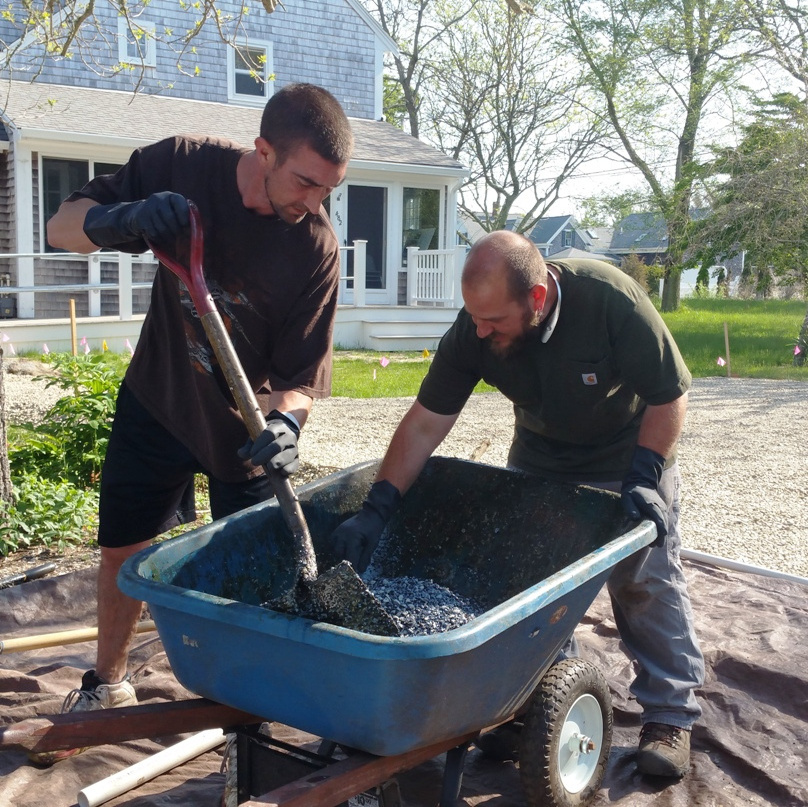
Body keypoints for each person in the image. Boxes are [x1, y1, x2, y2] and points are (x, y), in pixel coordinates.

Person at [33, 83, 353, 765]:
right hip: (160, 398)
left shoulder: (316, 249)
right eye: (304, 181)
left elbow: (299, 382)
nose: (314, 202)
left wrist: (288, 425)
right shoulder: (183, 164)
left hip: (243, 438)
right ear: (263, 149)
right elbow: (61, 226)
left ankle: (251, 714)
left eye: (328, 189)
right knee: (123, 551)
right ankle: (108, 683)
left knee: (249, 583)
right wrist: (125, 219)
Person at [331, 230, 705, 779]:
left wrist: (647, 475)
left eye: (493, 321)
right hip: (541, 457)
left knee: (643, 580)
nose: (480, 331)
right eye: (474, 318)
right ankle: (536, 700)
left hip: (629, 458)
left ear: (536, 297)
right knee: (530, 584)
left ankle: (670, 716)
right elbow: (425, 423)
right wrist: (377, 506)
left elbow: (669, 395)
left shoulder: (609, 300)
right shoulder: (476, 328)